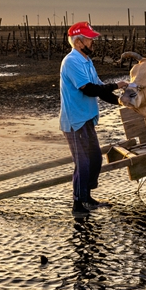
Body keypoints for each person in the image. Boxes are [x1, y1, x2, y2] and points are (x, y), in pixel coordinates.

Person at [59, 21, 128, 217]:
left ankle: (87, 198)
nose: (93, 42)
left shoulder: (86, 61)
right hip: (74, 121)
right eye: (90, 39)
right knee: (82, 163)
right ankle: (78, 205)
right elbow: (89, 90)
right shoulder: (71, 61)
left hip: (86, 118)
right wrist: (117, 85)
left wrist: (120, 102)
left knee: (95, 158)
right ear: (79, 42)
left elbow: (100, 89)